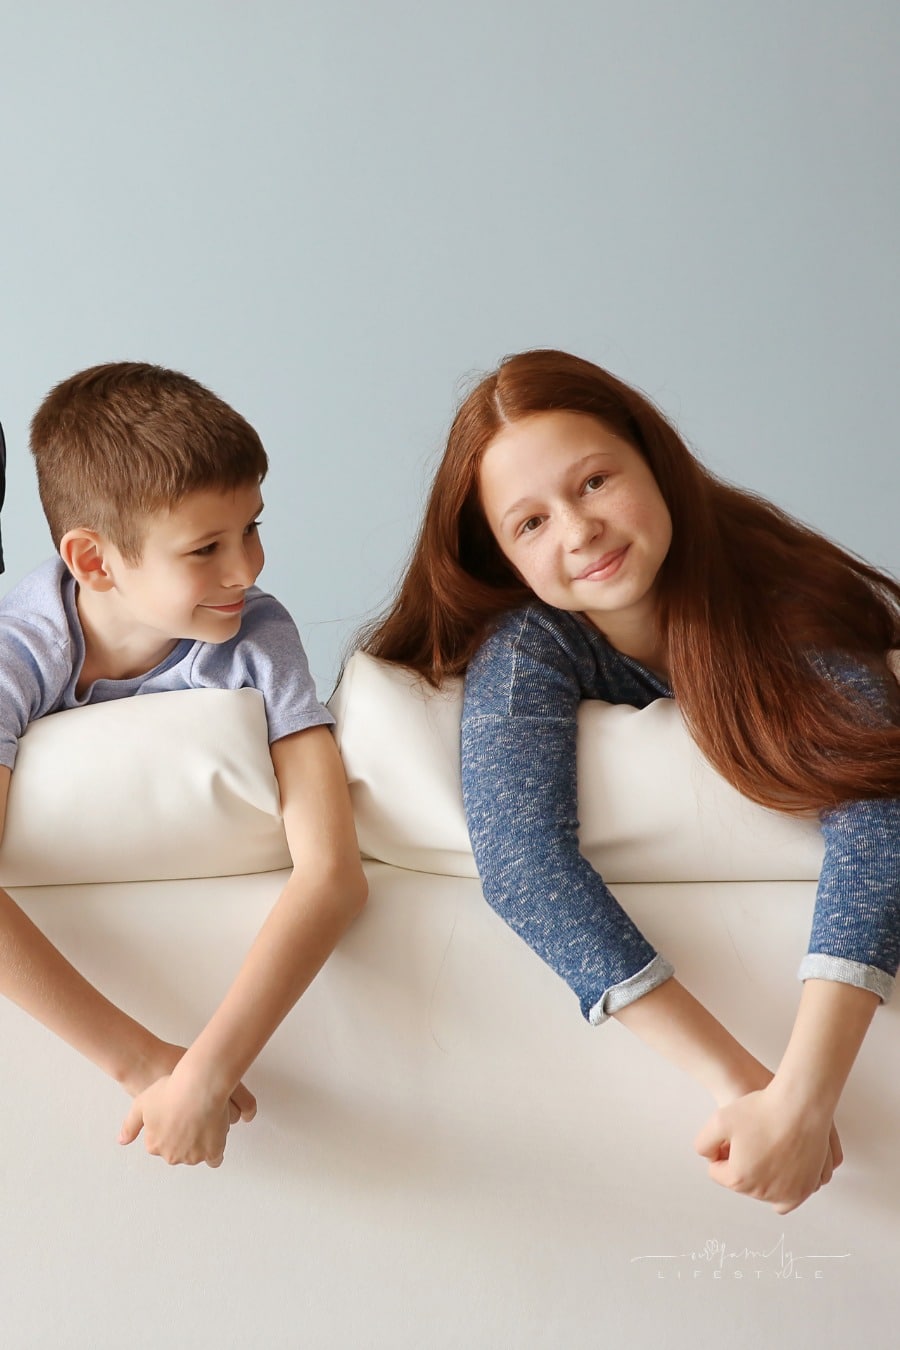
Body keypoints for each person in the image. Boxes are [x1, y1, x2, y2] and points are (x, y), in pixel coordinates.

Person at [362, 348, 900, 1214]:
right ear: (503, 557)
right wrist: (745, 1088)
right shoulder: (531, 643)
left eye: (594, 482)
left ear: (654, 459)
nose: (578, 531)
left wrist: (807, 1096)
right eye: (529, 523)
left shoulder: (779, 589)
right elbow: (523, 864)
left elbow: (878, 807)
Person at [0, 362, 367, 1168]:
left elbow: (334, 875)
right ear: (94, 561)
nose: (248, 569)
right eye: (206, 548)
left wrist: (207, 1072)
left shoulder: (257, 634)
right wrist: (142, 1065)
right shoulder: (14, 658)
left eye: (252, 528)